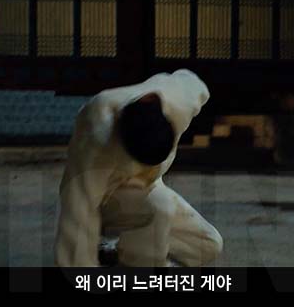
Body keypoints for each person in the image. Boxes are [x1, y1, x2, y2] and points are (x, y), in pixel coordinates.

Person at [55, 69, 223, 267]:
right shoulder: (97, 132)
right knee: (159, 206)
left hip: (149, 186)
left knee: (208, 244)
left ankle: (114, 252)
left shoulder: (179, 96)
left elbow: (194, 83)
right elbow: (78, 206)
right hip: (107, 197)